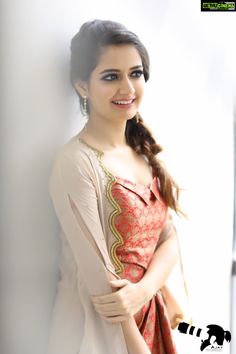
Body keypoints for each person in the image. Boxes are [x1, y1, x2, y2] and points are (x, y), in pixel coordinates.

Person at [47, 19, 185, 354]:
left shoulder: (142, 152)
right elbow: (102, 286)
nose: (128, 88)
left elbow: (168, 238)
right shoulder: (76, 162)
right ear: (82, 85)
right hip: (98, 335)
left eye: (135, 73)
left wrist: (146, 290)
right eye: (111, 76)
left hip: (149, 320)